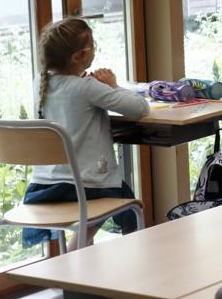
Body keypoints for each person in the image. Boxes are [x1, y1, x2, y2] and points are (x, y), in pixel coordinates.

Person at [22, 18, 148, 250]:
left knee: (105, 195)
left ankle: (77, 261)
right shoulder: (87, 88)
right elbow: (140, 108)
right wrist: (113, 85)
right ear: (77, 57)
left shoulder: (41, 81)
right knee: (129, 204)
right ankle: (77, 257)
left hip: (44, 187)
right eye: (93, 46)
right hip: (84, 186)